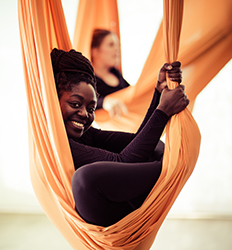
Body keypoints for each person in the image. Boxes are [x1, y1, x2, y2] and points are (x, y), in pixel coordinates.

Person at [50, 48, 188, 227]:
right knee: (85, 178)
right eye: (75, 104)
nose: (84, 114)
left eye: (91, 109)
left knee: (154, 148)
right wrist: (163, 112)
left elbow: (137, 142)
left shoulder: (87, 133)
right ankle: (173, 167)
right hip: (109, 230)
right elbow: (124, 160)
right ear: (53, 101)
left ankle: (172, 166)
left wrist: (159, 94)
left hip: (129, 211)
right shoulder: (60, 145)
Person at [90, 29, 129, 117]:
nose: (117, 49)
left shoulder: (116, 73)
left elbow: (132, 94)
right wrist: (104, 102)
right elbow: (84, 103)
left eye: (117, 45)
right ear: (95, 51)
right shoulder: (88, 80)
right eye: (111, 45)